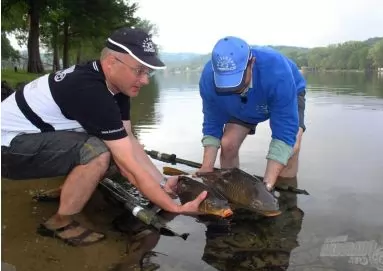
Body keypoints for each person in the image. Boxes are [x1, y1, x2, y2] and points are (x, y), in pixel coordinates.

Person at [1, 27, 207, 247]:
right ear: (111, 62)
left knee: (111, 145)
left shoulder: (116, 87)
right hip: (9, 148)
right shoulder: (90, 91)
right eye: (139, 71)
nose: (145, 80)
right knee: (97, 151)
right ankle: (59, 222)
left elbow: (129, 141)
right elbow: (128, 165)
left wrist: (162, 183)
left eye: (148, 72)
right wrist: (174, 207)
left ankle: (66, 192)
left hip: (30, 137)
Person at [198, 36, 307, 191]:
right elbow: (212, 123)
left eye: (237, 82)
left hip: (285, 92)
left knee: (292, 147)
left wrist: (266, 188)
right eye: (226, 85)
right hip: (243, 104)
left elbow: (284, 134)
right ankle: (232, 190)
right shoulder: (208, 78)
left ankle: (286, 197)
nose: (234, 90)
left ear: (251, 63)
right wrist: (206, 170)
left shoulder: (277, 71)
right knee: (228, 144)